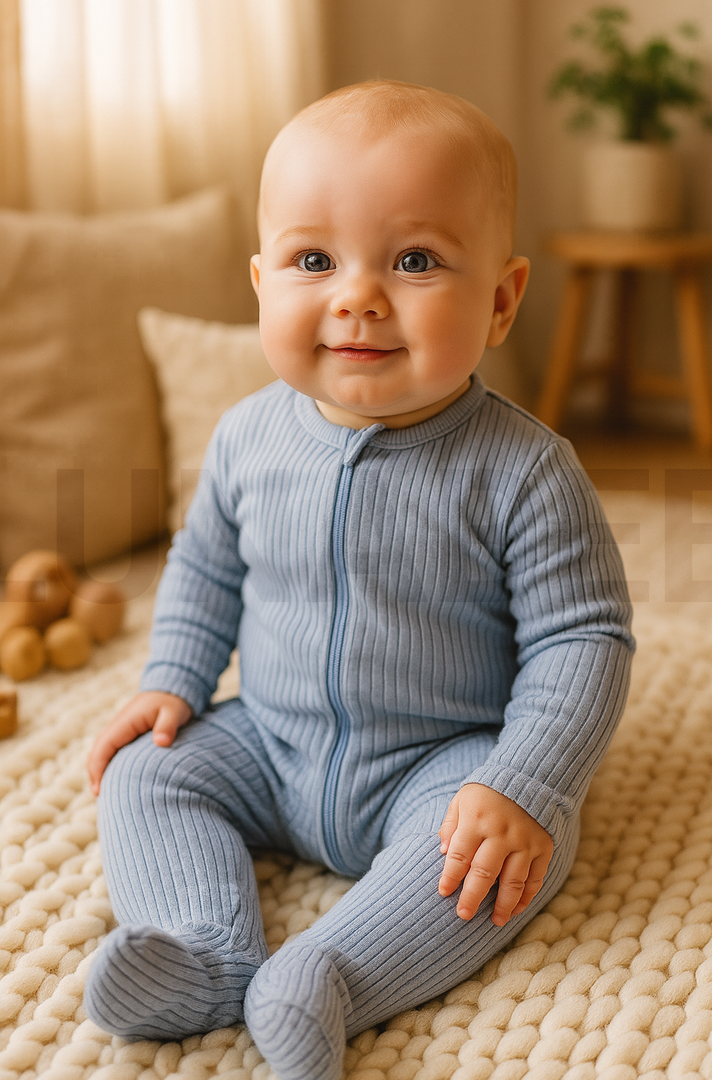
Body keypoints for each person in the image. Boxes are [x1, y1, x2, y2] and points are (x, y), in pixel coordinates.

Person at [83, 80, 633, 1080]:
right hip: (274, 736)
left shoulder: (523, 470)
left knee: (502, 857)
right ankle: (206, 949)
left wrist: (524, 779)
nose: (358, 295)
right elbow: (205, 567)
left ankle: (329, 974)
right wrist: (172, 681)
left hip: (444, 760)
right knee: (144, 770)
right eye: (312, 260)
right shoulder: (248, 438)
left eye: (415, 261)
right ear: (261, 284)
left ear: (502, 300)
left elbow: (583, 641)